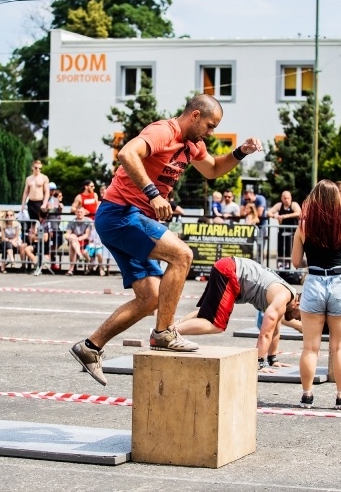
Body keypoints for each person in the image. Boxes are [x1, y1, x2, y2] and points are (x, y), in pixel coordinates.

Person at [69, 94, 263, 386]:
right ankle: (164, 333)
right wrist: (153, 194)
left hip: (127, 219)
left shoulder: (193, 145)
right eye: (210, 125)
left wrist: (240, 152)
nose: (211, 133)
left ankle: (90, 347)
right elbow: (127, 154)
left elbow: (213, 169)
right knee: (182, 255)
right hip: (121, 213)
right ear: (195, 116)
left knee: (150, 299)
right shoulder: (163, 131)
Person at [291, 180, 341, 410]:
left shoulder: (304, 226)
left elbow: (296, 261)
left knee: (310, 347)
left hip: (314, 282)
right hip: (338, 282)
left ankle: (307, 396)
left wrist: (313, 260)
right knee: (339, 347)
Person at [175, 256, 301, 370]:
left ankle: (170, 328)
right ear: (298, 304)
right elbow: (265, 334)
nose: (301, 320)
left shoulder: (286, 298)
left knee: (207, 313)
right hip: (230, 271)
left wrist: (272, 359)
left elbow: (275, 332)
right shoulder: (283, 297)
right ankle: (170, 334)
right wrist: (259, 363)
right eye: (302, 316)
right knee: (216, 324)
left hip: (229, 267)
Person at [268, 191, 301, 269]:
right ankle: (280, 267)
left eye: (288, 198)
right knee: (280, 249)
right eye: (285, 198)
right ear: (282, 198)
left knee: (289, 250)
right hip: (282, 232)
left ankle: (289, 267)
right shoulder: (279, 205)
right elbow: (269, 212)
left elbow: (299, 213)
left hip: (292, 232)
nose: (286, 200)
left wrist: (286, 216)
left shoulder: (294, 204)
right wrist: (275, 216)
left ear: (291, 198)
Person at [65, 206, 92, 275]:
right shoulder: (72, 221)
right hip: (74, 240)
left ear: (84, 213)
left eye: (81, 212)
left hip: (84, 241)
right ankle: (80, 255)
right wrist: (69, 237)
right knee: (72, 238)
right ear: (75, 213)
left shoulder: (88, 221)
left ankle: (71, 269)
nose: (79, 213)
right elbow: (67, 234)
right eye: (78, 212)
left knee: (73, 244)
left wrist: (79, 238)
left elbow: (87, 234)